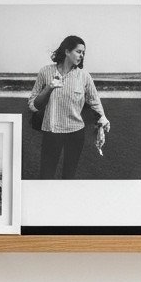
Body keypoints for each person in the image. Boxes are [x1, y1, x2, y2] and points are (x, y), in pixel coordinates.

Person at [28, 35, 110, 180]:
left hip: (76, 132)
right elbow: (33, 105)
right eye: (78, 51)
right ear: (67, 51)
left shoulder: (84, 76)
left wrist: (103, 119)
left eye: (83, 53)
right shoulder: (45, 72)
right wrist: (49, 88)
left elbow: (94, 101)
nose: (82, 55)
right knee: (46, 175)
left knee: (69, 176)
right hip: (52, 130)